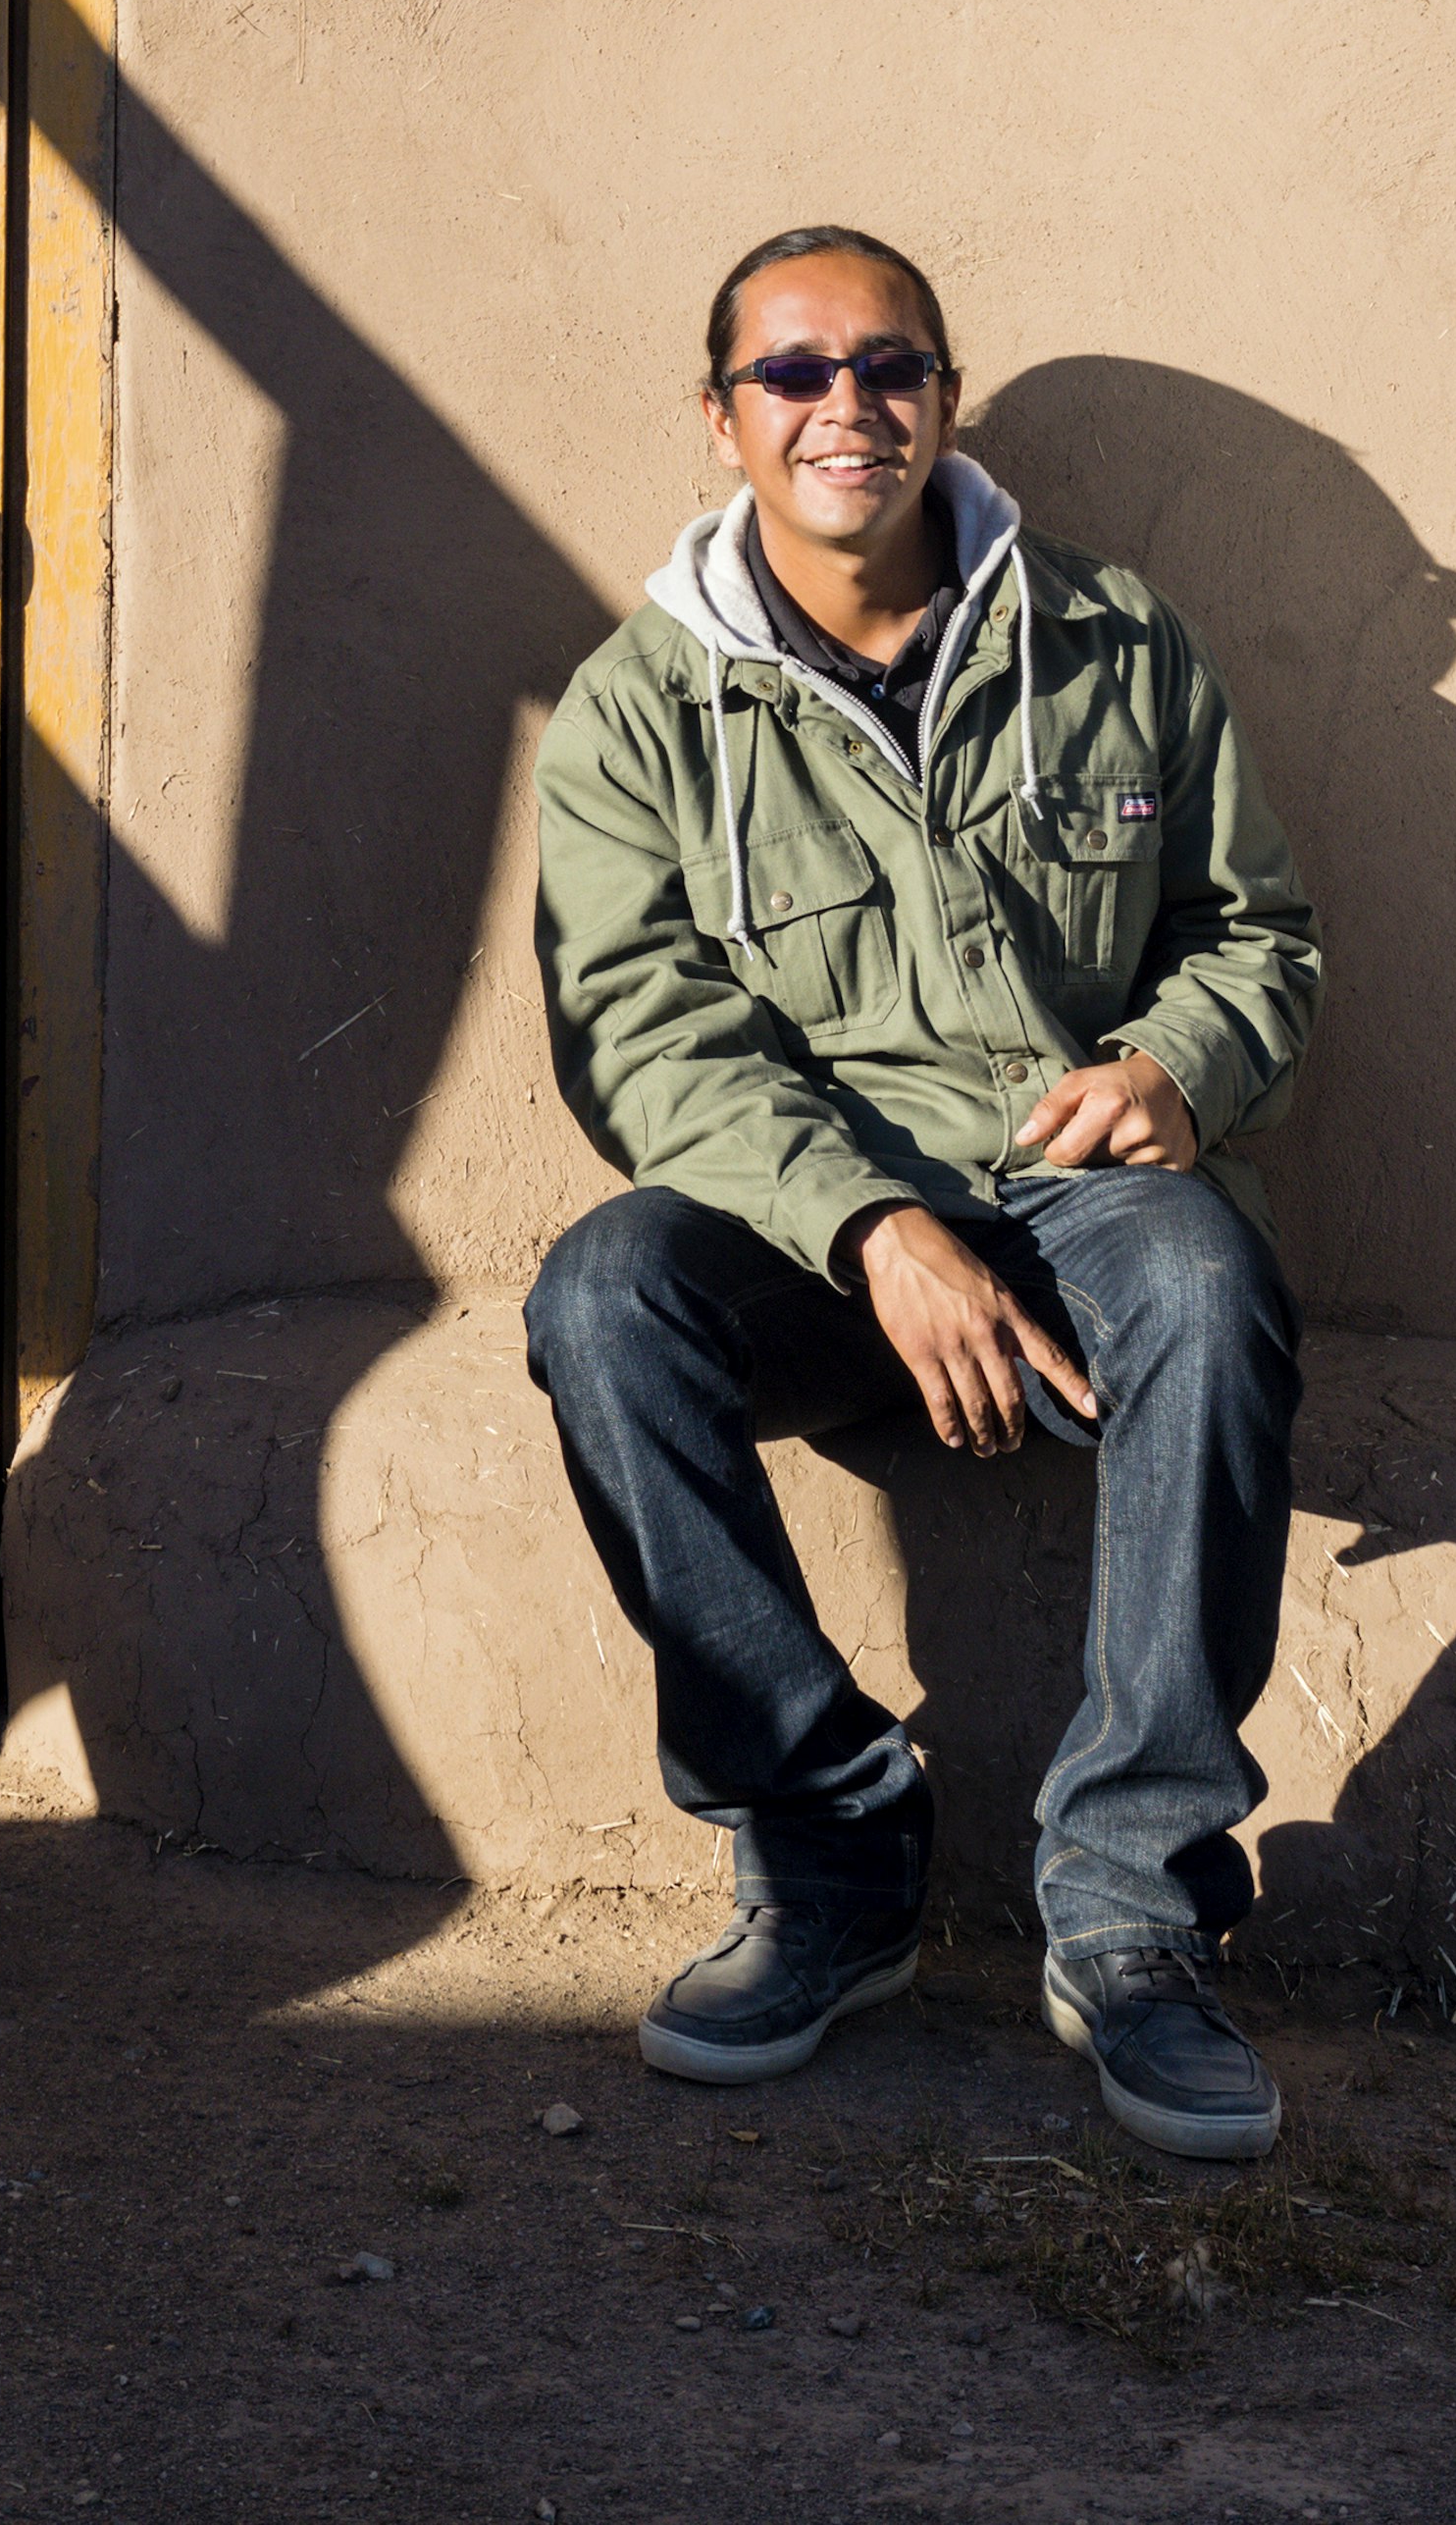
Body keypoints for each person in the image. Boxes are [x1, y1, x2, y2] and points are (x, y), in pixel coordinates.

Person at [526, 223, 1322, 2156]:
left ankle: (1134, 1904)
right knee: (599, 1300)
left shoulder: (1115, 641)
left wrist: (1177, 1067)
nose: (844, 406)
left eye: (887, 366)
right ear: (723, 422)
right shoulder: (643, 708)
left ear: (944, 400)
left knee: (1213, 1291)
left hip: (1073, 1178)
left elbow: (1252, 932)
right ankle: (826, 1843)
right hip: (803, 1221)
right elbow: (639, 1042)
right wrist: (872, 1230)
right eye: (791, 374)